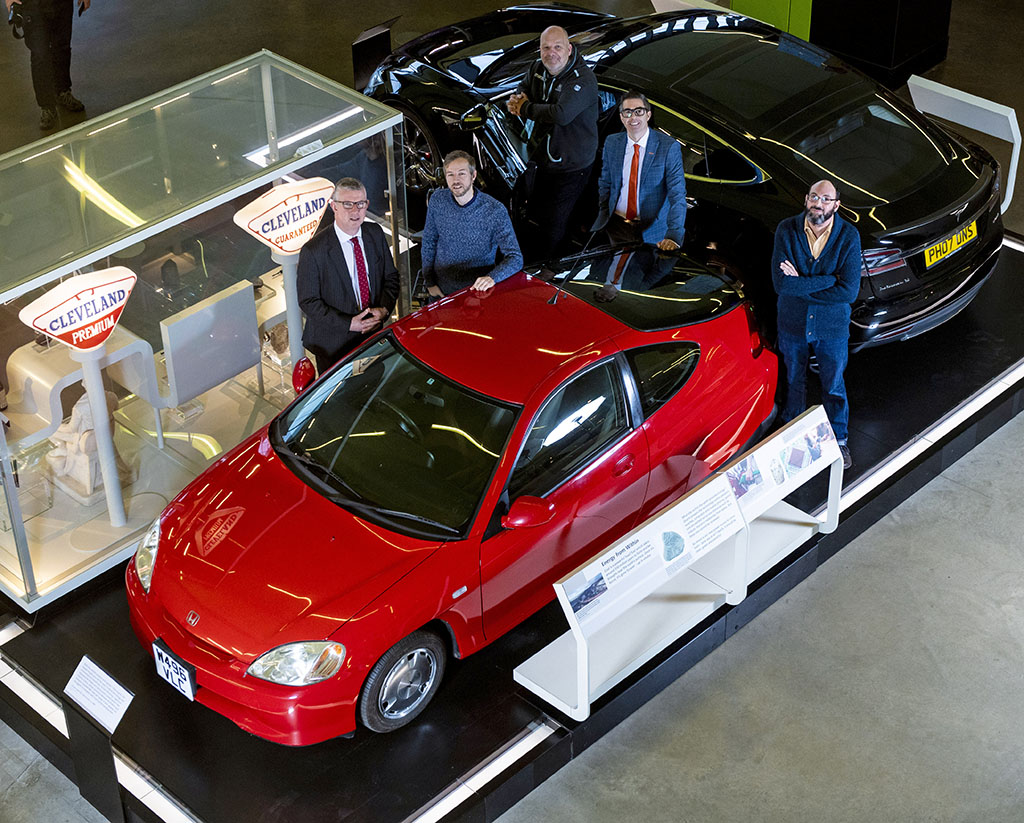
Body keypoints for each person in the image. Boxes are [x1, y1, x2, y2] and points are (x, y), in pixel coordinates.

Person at [772, 179, 861, 469]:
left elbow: (848, 292)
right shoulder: (787, 229)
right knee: (793, 381)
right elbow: (781, 284)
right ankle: (791, 434)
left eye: (825, 199)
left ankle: (839, 439)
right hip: (792, 322)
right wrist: (828, 280)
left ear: (836, 205)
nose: (818, 203)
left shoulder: (849, 236)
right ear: (806, 199)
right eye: (813, 197)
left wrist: (802, 282)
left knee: (833, 384)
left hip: (831, 328)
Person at [506, 25, 598, 262]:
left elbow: (561, 114)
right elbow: (524, 87)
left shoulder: (583, 79)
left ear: (569, 49)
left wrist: (524, 108)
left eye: (557, 47)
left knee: (556, 220)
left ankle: (548, 266)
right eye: (546, 47)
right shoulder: (538, 68)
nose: (551, 53)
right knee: (536, 212)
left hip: (572, 165)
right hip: (543, 158)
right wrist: (518, 97)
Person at [297, 177, 399, 373]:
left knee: (374, 386)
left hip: (372, 337)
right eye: (348, 204)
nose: (355, 211)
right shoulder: (314, 251)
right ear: (334, 206)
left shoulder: (375, 233)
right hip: (335, 345)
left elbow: (391, 278)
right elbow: (308, 301)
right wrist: (348, 323)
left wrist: (384, 310)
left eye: (360, 204)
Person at [593, 91, 686, 251]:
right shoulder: (612, 142)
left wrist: (674, 234)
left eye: (639, 112)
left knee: (643, 274)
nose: (633, 118)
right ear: (621, 117)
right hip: (617, 226)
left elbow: (677, 194)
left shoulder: (668, 147)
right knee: (615, 273)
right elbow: (606, 181)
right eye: (627, 112)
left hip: (651, 231)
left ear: (648, 115)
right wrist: (604, 210)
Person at [422, 150, 523, 298]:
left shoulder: (495, 211)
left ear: (473, 175)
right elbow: (429, 241)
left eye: (462, 174)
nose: (456, 180)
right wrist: (430, 283)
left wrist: (492, 278)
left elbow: (515, 257)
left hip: (478, 293)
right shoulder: (437, 200)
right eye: (450, 174)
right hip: (441, 292)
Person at [6, 0, 88, 130]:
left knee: (62, 47)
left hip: (61, 4)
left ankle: (63, 91)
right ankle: (47, 106)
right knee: (40, 54)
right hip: (32, 5)